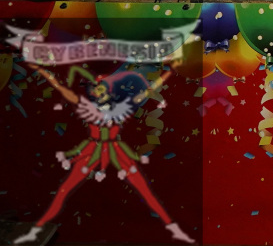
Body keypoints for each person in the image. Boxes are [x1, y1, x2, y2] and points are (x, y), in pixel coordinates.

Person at [17, 64, 193, 244]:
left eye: (101, 89)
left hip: (115, 149)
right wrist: (41, 71)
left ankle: (173, 229)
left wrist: (169, 72)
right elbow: (60, 87)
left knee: (144, 190)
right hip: (92, 150)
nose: (97, 92)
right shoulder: (88, 106)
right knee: (65, 189)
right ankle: (37, 229)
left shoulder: (122, 107)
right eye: (95, 89)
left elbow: (149, 90)